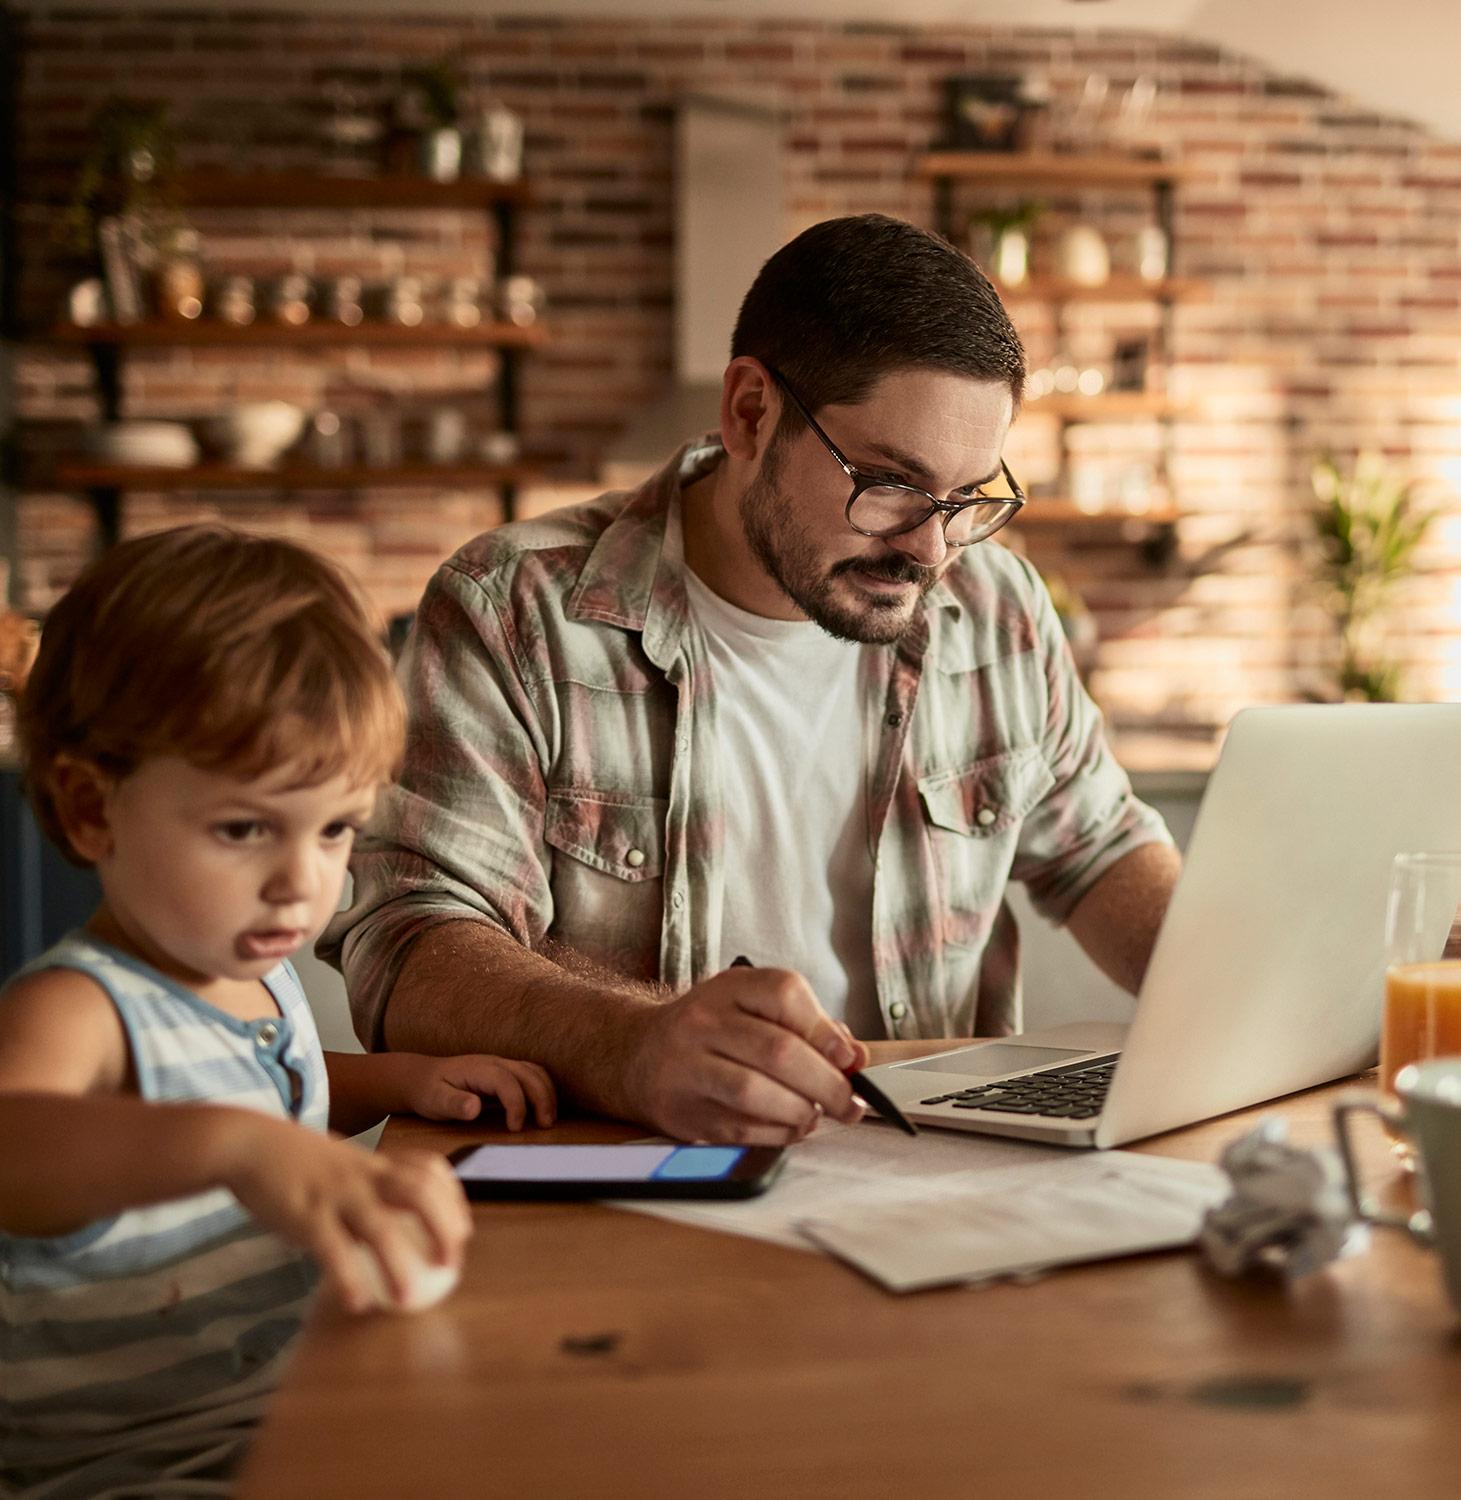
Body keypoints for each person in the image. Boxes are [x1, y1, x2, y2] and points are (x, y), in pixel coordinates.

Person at [323, 213, 1180, 1148]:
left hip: (937, 1175)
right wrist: (628, 1044)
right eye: (890, 482)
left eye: (970, 498)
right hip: (627, 1184)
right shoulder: (514, 608)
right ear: (749, 412)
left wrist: (1264, 995)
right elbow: (406, 946)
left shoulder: (998, 607)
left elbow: (1098, 853)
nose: (932, 548)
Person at [0, 527, 555, 1497]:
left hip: (288, 1414)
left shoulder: (246, 976)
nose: (301, 886)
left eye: (335, 829)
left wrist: (394, 1081)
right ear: (92, 809)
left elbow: (272, 1091)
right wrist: (233, 1150)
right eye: (244, 829)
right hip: (135, 1468)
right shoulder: (75, 1009)